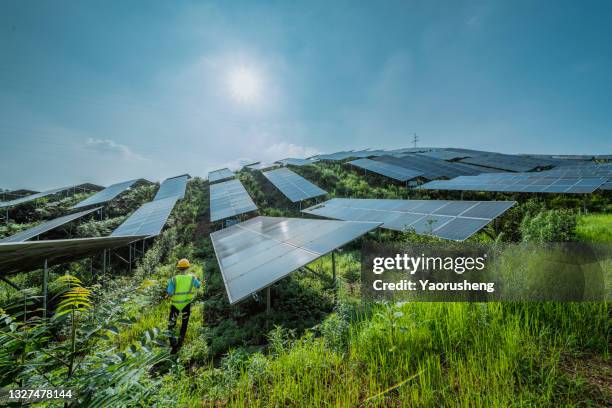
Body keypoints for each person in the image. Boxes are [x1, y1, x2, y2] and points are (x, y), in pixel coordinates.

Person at [167, 258, 202, 354]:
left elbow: (169, 293)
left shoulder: (174, 279)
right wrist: (195, 278)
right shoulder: (192, 278)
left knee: (171, 326)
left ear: (178, 268)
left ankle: (174, 346)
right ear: (188, 268)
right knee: (184, 323)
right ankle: (180, 342)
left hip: (175, 306)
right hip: (186, 304)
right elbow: (198, 286)